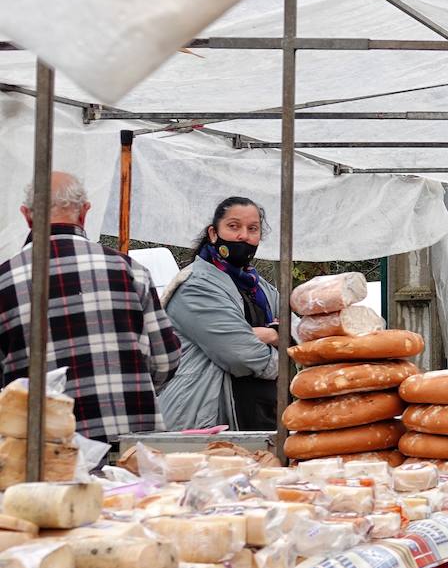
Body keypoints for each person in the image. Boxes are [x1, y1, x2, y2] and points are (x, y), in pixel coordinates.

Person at [0, 172, 181, 442]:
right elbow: (166, 359)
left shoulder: (4, 281)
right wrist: (129, 384)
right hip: (129, 440)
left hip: (41, 448)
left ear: (27, 216)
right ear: (84, 212)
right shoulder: (131, 271)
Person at [157, 197, 281, 429]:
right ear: (214, 233)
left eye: (252, 229)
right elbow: (241, 355)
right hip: (202, 420)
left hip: (257, 414)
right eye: (234, 226)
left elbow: (299, 329)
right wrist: (281, 347)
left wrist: (273, 334)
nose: (243, 236)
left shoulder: (260, 287)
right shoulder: (196, 286)